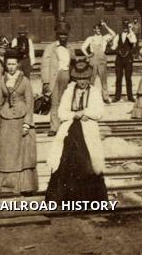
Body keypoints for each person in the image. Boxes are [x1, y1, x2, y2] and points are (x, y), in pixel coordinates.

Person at [45, 57, 108, 202]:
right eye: (79, 79)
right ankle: (65, 197)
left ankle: (89, 199)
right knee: (66, 159)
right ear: (75, 79)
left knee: (89, 161)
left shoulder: (94, 92)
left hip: (88, 130)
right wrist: (76, 115)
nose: (82, 82)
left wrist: (86, 112)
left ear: (89, 78)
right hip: (71, 129)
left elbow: (99, 112)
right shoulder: (69, 91)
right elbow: (61, 113)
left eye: (85, 78)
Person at [0, 51, 38, 194]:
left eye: (13, 64)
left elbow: (30, 103)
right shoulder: (2, 81)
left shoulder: (25, 81)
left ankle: (24, 186)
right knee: (6, 151)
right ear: (5, 65)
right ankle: (6, 186)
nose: (11, 67)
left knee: (22, 152)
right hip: (6, 119)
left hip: (21, 119)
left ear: (18, 64)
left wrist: (27, 123)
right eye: (8, 64)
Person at [41, 21, 72, 135]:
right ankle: (54, 127)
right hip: (54, 77)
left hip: (66, 76)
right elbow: (45, 65)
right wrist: (46, 81)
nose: (63, 37)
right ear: (57, 35)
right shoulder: (51, 48)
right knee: (54, 102)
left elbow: (74, 62)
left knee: (65, 101)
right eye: (60, 34)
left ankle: (64, 126)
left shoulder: (70, 47)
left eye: (65, 34)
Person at [81, 20, 116, 103]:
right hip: (93, 60)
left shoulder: (105, 38)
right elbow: (82, 47)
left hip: (102, 60)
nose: (98, 30)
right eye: (97, 29)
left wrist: (105, 25)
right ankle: (89, 97)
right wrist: (88, 55)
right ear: (94, 30)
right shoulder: (90, 38)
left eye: (100, 29)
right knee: (91, 79)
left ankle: (105, 97)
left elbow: (113, 34)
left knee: (104, 80)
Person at [111, 20, 137, 103]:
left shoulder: (131, 35)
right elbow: (114, 46)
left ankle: (130, 97)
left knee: (128, 78)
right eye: (124, 26)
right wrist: (110, 46)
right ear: (122, 26)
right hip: (119, 59)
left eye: (127, 26)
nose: (125, 28)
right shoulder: (118, 36)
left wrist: (131, 30)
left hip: (128, 59)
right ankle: (117, 97)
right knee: (118, 78)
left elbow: (133, 41)